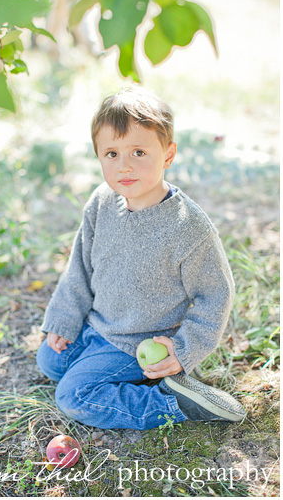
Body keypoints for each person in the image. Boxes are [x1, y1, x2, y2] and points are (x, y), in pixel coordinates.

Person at [36, 88, 246, 430]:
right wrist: (65, 319)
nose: (125, 166)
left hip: (141, 342)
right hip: (99, 326)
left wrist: (183, 349)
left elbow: (216, 294)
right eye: (112, 154)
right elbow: (80, 268)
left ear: (168, 154)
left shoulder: (188, 227)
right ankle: (144, 380)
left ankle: (173, 403)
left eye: (138, 152)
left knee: (73, 396)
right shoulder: (102, 202)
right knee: (49, 360)